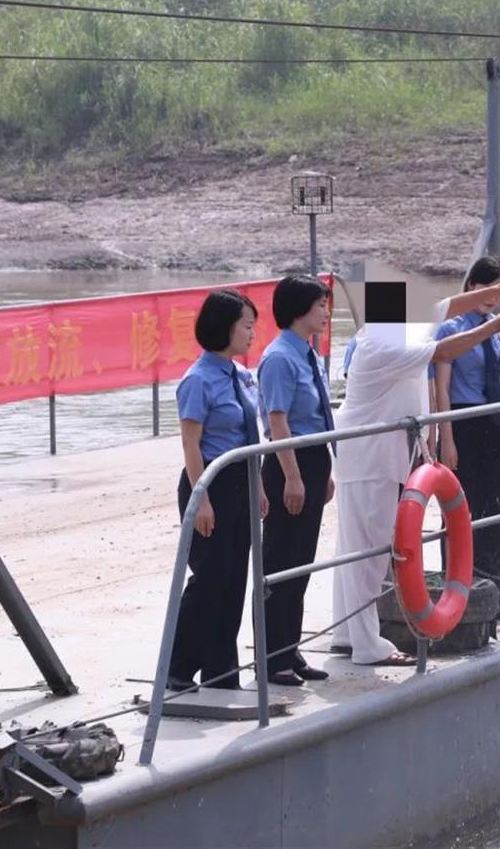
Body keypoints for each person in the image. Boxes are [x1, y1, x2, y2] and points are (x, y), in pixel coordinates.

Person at [330, 275, 500, 665]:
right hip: (370, 458)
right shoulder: (380, 345)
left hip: (381, 455)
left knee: (356, 547)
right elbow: (445, 349)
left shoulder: (397, 330)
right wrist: (495, 327)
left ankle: (347, 634)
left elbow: (447, 306)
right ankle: (365, 645)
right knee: (369, 552)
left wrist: (495, 292)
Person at [168, 290, 266, 692]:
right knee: (210, 577)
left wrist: (258, 485)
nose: (252, 334)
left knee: (235, 578)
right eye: (246, 326)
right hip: (210, 480)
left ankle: (221, 669)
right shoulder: (198, 380)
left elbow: (250, 433)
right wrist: (202, 498)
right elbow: (191, 444)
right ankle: (177, 666)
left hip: (242, 479)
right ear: (224, 327)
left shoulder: (241, 375)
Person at [432, 256, 500, 610]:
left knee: (492, 510)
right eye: (487, 287)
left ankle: (488, 593)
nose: (491, 296)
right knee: (460, 511)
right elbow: (441, 389)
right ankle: (456, 592)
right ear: (471, 286)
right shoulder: (451, 329)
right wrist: (447, 439)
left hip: (495, 422)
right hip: (464, 421)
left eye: (499, 290)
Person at [256, 275, 336, 687]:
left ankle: (290, 648)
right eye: (320, 305)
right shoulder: (279, 358)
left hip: (313, 457)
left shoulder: (308, 353)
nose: (326, 313)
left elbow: (319, 413)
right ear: (298, 310)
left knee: (301, 563)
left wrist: (325, 470)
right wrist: (292, 477)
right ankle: (272, 658)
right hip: (290, 461)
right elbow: (278, 420)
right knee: (281, 562)